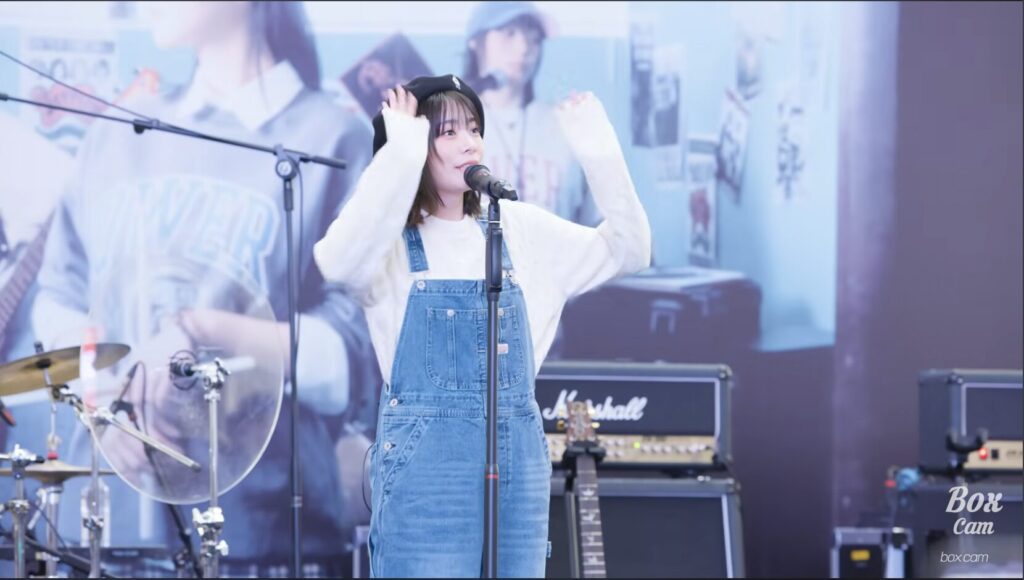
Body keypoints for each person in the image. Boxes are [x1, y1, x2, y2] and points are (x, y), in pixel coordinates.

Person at [29, 2, 376, 576]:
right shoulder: (118, 132)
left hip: (261, 538)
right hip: (101, 531)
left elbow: (353, 352)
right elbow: (58, 297)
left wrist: (196, 336)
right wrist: (106, 395)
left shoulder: (333, 139)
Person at [313, 74, 650, 577]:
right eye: (447, 132)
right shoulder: (386, 246)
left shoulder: (518, 227)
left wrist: (598, 151)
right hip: (426, 473)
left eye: (474, 128)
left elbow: (631, 250)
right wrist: (400, 153)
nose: (470, 142)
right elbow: (335, 262)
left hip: (519, 465)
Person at [462, 1, 601, 227]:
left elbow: (599, 226)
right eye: (509, 34)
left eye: (534, 39)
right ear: (476, 41)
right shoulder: (451, 128)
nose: (523, 48)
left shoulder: (565, 126)